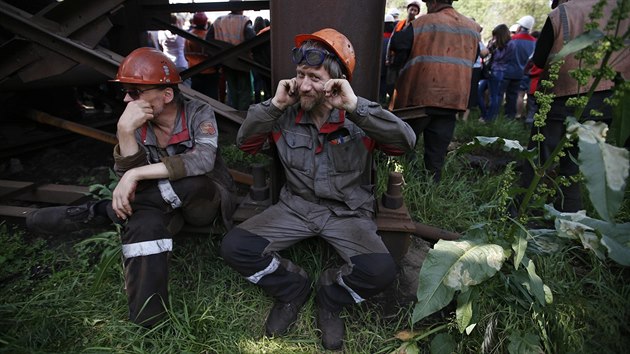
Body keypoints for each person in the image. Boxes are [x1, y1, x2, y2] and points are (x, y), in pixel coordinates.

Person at [219, 28, 416, 350]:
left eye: (314, 77)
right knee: (236, 247)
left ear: (335, 82)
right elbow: (246, 144)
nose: (304, 85)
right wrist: (274, 104)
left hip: (347, 211)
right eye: (300, 75)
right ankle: (291, 288)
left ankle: (330, 298)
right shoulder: (284, 115)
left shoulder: (359, 117)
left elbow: (405, 143)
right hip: (295, 207)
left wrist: (355, 107)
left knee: (380, 271)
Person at [26, 47, 238, 327]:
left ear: (166, 95)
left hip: (203, 201)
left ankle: (99, 212)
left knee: (192, 180)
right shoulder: (137, 123)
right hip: (163, 207)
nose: (127, 98)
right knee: (143, 225)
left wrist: (135, 174)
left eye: (135, 91)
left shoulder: (198, 112)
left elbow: (203, 159)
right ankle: (149, 322)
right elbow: (129, 180)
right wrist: (124, 133)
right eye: (126, 91)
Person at [518, 0, 629, 212]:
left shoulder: (563, 13)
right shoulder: (621, 12)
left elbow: (540, 59)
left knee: (538, 161)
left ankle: (521, 215)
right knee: (574, 167)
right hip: (604, 102)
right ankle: (570, 223)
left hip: (560, 98)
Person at [389, 0, 480, 181]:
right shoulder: (472, 28)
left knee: (403, 146)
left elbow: (398, 44)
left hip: (420, 99)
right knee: (436, 156)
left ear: (435, 1)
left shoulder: (423, 23)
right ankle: (430, 188)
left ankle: (399, 183)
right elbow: (474, 57)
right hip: (453, 99)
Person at [206, 0, 256, 110]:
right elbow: (252, 39)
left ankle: (232, 115)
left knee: (231, 90)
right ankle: (242, 118)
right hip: (242, 62)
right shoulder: (244, 21)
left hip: (226, 61)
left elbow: (208, 40)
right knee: (244, 91)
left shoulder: (218, 21)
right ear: (241, 8)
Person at [385, 1, 421, 100]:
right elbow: (391, 40)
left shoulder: (417, 26)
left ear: (417, 13)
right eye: (411, 9)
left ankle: (400, 102)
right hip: (394, 59)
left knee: (404, 83)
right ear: (407, 10)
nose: (412, 12)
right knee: (390, 82)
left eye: (415, 10)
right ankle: (392, 101)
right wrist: (387, 58)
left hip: (407, 60)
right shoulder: (399, 24)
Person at [504, 15, 537, 119]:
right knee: (523, 95)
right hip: (527, 73)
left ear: (519, 27)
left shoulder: (513, 39)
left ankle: (512, 115)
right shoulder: (534, 42)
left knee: (514, 95)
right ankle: (522, 115)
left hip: (511, 72)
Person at [184, 12, 220, 100]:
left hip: (194, 72)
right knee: (211, 100)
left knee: (197, 99)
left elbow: (186, 55)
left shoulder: (188, 36)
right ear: (205, 23)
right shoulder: (209, 36)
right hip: (210, 72)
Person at [485, 24, 516, 122]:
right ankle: (493, 116)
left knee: (494, 96)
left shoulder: (503, 45)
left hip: (497, 71)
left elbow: (497, 57)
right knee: (497, 95)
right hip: (501, 71)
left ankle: (490, 117)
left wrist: (493, 48)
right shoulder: (511, 44)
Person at [159, 14, 190, 87]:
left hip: (167, 64)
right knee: (186, 87)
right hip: (181, 63)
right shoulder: (181, 33)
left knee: (170, 86)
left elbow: (160, 44)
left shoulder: (161, 33)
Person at [380, 13, 396, 105]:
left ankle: (383, 101)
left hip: (384, 65)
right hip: (388, 65)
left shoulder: (381, 37)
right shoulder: (393, 37)